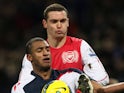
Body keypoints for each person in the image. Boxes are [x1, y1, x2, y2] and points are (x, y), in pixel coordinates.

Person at [20, 3, 109, 85]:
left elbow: (102, 78)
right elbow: (24, 84)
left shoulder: (81, 46)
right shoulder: (34, 52)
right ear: (45, 23)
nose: (59, 25)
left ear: (68, 22)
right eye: (54, 21)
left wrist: (80, 85)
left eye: (62, 21)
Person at [11, 37, 93, 93]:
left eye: (47, 49)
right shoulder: (22, 88)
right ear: (29, 57)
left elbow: (95, 88)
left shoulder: (73, 75)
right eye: (39, 51)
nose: (45, 53)